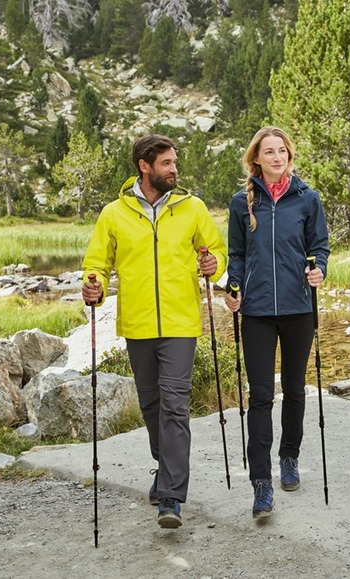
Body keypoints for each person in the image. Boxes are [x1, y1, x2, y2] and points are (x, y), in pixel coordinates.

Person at [81, 134, 227, 529]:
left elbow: (215, 249)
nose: (174, 169)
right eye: (166, 163)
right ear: (145, 166)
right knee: (151, 404)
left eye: (174, 162)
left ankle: (171, 498)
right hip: (138, 323)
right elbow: (97, 262)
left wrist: (214, 263)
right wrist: (92, 284)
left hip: (181, 322)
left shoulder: (192, 208)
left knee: (176, 405)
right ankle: (164, 468)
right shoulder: (114, 213)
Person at [224, 126, 330, 519]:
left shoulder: (307, 199)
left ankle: (289, 458)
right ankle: (262, 483)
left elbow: (319, 246)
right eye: (268, 151)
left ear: (289, 155)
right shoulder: (241, 202)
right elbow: (236, 253)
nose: (276, 157)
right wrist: (232, 287)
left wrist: (319, 269)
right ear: (257, 158)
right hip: (256, 311)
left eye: (281, 150)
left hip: (299, 308)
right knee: (261, 396)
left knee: (295, 388)